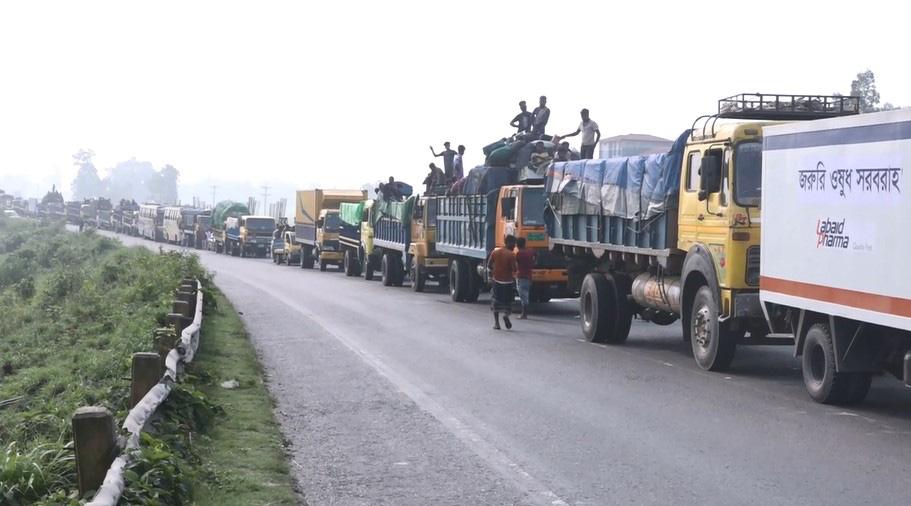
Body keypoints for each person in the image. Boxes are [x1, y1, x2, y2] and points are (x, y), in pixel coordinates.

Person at [488, 235, 518, 330]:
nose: (514, 246)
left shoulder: (495, 252)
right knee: (508, 302)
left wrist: (494, 273)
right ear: (509, 243)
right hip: (508, 282)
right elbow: (514, 269)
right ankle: (506, 315)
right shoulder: (511, 255)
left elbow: (489, 265)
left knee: (495, 301)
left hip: (496, 281)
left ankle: (497, 323)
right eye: (513, 244)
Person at [514, 237, 535, 319]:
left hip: (521, 275)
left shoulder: (519, 253)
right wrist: (533, 263)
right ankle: (524, 313)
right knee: (526, 293)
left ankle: (524, 314)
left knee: (523, 295)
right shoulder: (531, 251)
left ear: (517, 244)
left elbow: (515, 264)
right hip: (529, 275)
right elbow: (536, 256)